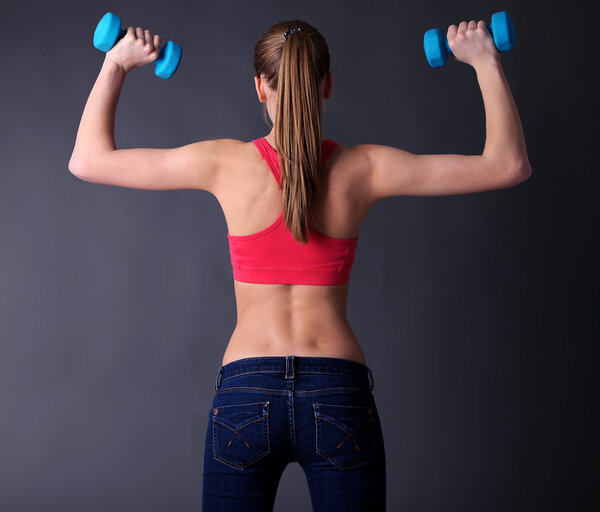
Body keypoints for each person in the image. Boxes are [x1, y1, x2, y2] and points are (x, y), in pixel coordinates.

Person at [69, 17, 531, 512]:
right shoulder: (366, 168)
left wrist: (116, 62)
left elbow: (88, 160)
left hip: (245, 392)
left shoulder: (225, 164)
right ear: (328, 85)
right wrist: (485, 60)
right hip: (337, 390)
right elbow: (507, 164)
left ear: (259, 88)